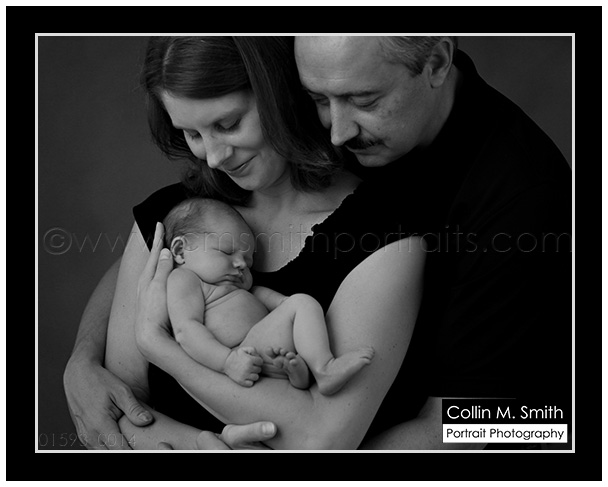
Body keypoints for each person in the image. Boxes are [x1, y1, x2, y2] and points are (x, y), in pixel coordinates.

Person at [64, 35, 571, 450]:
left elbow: (491, 427)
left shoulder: (521, 198)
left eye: (363, 100)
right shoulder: (327, 113)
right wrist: (85, 356)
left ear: (436, 62)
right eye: (317, 99)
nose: (337, 131)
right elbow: (158, 260)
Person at [163, 197, 374, 393]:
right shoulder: (185, 279)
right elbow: (186, 329)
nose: (241, 264)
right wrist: (227, 361)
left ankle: (298, 372)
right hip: (239, 353)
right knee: (301, 303)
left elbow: (283, 304)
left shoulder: (247, 291)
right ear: (181, 250)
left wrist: (293, 312)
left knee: (299, 308)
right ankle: (324, 368)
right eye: (227, 252)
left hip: (263, 349)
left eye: (248, 260)